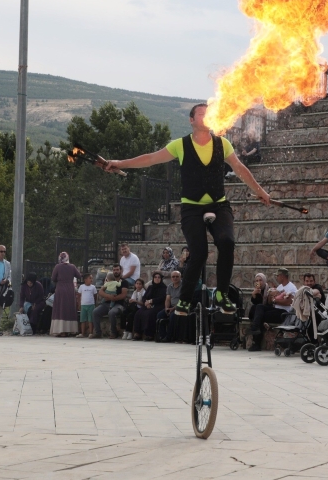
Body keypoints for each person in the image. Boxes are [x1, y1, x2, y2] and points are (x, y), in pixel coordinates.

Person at [106, 103, 271, 317]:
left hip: (218, 204)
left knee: (227, 242)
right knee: (199, 251)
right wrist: (121, 163)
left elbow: (240, 168)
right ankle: (184, 299)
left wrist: (260, 191)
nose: (206, 117)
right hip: (191, 207)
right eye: (201, 114)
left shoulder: (223, 144)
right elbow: (150, 158)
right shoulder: (181, 145)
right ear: (191, 120)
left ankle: (222, 294)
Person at [248, 268, 296, 351]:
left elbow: (289, 302)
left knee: (259, 315)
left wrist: (275, 300)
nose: (276, 277)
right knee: (258, 307)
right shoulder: (280, 287)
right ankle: (255, 328)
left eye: (277, 276)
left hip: (284, 313)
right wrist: (271, 296)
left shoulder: (291, 288)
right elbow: (271, 302)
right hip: (276, 310)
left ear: (282, 276)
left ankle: (256, 339)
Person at [93, 264, 130, 339]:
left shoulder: (124, 282)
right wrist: (109, 297)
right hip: (107, 303)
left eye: (117, 270)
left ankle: (114, 332)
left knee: (112, 313)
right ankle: (98, 333)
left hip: (119, 304)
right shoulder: (108, 281)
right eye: (114, 270)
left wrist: (113, 298)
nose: (115, 271)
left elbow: (123, 295)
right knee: (95, 312)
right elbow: (100, 291)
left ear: (121, 271)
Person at [49, 252, 81, 337]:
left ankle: (60, 330)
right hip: (70, 289)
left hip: (60, 288)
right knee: (69, 308)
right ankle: (70, 330)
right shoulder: (72, 266)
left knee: (60, 309)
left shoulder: (57, 267)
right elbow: (79, 275)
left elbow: (53, 278)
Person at [133, 271, 167, 341]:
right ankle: (138, 333)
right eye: (155, 277)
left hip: (159, 305)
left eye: (159, 277)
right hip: (148, 305)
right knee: (138, 313)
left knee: (149, 314)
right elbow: (145, 297)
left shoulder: (164, 288)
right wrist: (146, 302)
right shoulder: (150, 287)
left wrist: (151, 301)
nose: (157, 279)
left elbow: (162, 298)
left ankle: (149, 334)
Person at [77, 273, 97, 338]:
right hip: (83, 305)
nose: (91, 279)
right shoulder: (81, 287)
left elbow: (95, 296)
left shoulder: (93, 287)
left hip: (91, 305)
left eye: (92, 278)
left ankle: (91, 333)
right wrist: (79, 304)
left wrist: (94, 303)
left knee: (90, 320)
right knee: (82, 320)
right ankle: (82, 333)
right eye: (90, 278)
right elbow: (79, 296)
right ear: (85, 279)